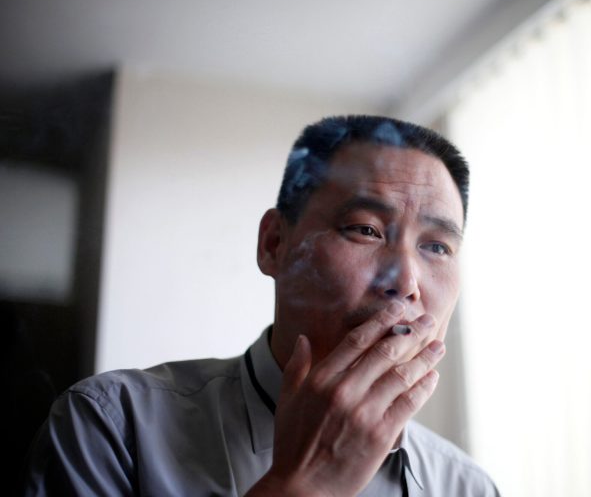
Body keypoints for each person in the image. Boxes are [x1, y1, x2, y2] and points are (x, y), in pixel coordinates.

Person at [23, 115, 500, 496]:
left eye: (437, 247)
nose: (406, 283)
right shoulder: (113, 429)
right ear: (274, 244)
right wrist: (306, 486)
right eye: (365, 229)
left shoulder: (469, 487)